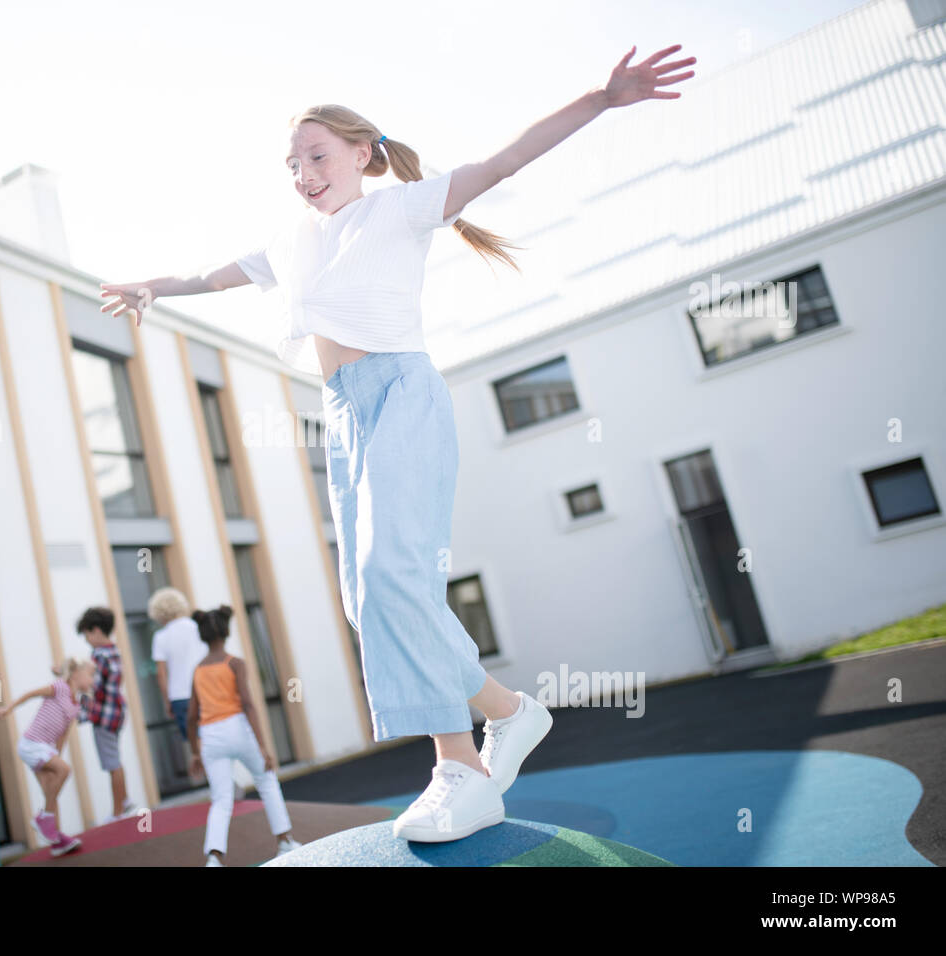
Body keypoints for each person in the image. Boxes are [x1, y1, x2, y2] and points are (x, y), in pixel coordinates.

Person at [99, 46, 695, 842]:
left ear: (361, 151)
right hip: (342, 412)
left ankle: (472, 752)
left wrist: (601, 97)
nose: (305, 173)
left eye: (317, 156)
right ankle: (495, 725)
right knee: (366, 598)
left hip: (403, 395)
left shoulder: (401, 208)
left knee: (393, 575)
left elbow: (507, 157)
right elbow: (215, 276)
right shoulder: (293, 240)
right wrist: (150, 287)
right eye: (292, 163)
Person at [186, 605, 300, 866]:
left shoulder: (198, 670)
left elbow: (191, 715)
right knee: (266, 780)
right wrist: (262, 746)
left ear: (203, 635)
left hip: (211, 736)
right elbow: (248, 704)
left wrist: (195, 752)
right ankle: (284, 841)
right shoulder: (235, 663)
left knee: (221, 798)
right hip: (237, 728)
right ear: (226, 632)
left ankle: (214, 858)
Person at [0, 657, 95, 856]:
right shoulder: (60, 687)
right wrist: (8, 708)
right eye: (91, 675)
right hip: (31, 744)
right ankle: (43, 818)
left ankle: (56, 841)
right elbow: (32, 694)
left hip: (44, 748)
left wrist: (56, 755)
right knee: (65, 771)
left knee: (51, 791)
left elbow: (63, 733)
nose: (93, 680)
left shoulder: (76, 705)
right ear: (76, 674)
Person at [77, 606, 136, 823]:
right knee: (114, 760)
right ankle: (125, 800)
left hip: (105, 714)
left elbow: (94, 686)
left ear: (96, 630)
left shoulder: (98, 656)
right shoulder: (114, 651)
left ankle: (118, 812)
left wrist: (75, 678)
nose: (87, 640)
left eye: (86, 635)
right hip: (116, 711)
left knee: (112, 763)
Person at [149, 586, 212, 786]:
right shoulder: (196, 627)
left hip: (179, 696)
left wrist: (166, 700)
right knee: (212, 734)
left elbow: (161, 674)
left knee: (196, 741)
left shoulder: (160, 637)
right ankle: (221, 778)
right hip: (203, 690)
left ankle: (215, 780)